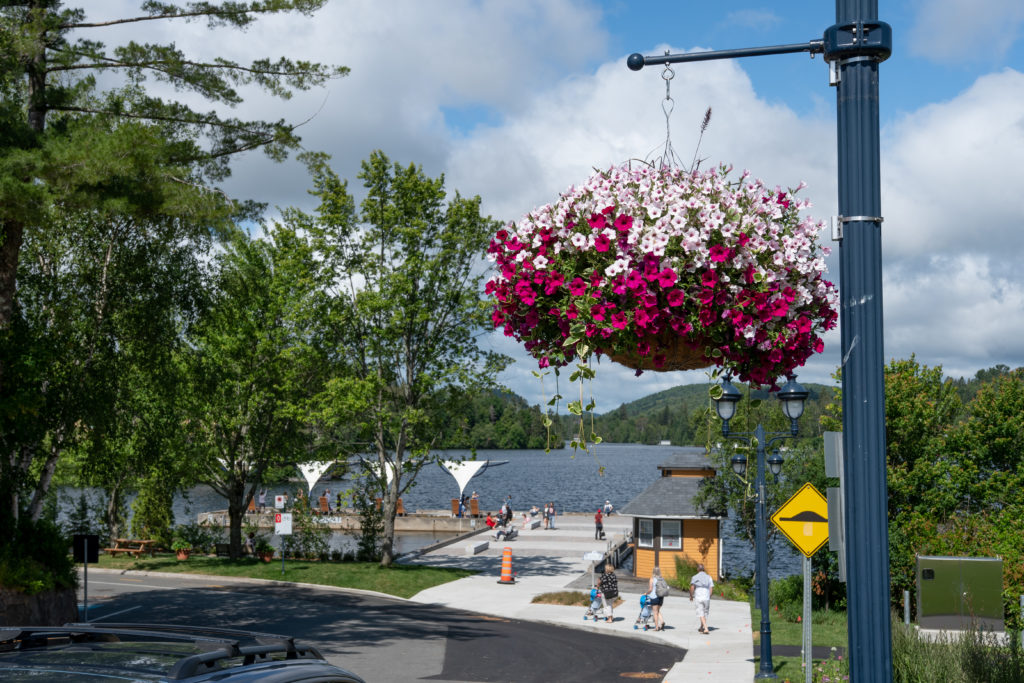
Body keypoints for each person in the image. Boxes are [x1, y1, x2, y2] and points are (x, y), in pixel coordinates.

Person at [689, 563, 715, 635]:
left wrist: (691, 596)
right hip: (706, 596)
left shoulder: (694, 577)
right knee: (705, 613)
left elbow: (692, 588)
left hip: (698, 596)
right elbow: (711, 588)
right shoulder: (709, 577)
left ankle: (706, 628)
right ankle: (701, 627)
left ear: (698, 569)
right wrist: (709, 596)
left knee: (700, 612)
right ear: (704, 569)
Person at [648, 566, 667, 631]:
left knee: (655, 612)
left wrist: (646, 593)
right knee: (657, 611)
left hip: (654, 597)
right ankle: (662, 621)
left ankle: (656, 627)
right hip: (661, 597)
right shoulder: (662, 579)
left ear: (653, 571)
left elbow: (650, 589)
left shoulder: (652, 579)